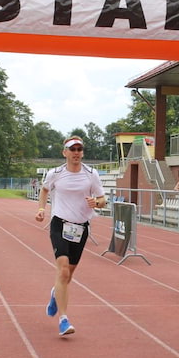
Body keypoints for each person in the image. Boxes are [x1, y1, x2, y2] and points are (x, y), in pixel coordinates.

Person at [35, 136, 107, 336]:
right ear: (64, 152)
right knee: (64, 271)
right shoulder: (55, 173)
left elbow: (103, 200)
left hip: (80, 228)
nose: (76, 152)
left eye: (79, 149)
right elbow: (44, 190)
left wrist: (97, 202)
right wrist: (41, 208)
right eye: (72, 149)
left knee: (68, 275)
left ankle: (54, 293)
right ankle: (64, 320)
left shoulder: (91, 174)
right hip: (59, 224)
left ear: (82, 152)